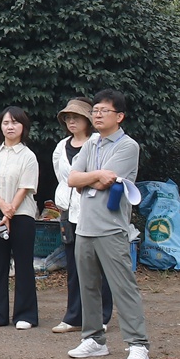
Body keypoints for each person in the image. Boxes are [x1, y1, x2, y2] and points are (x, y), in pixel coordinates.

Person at [64, 90, 150, 359]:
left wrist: (94, 178)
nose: (97, 115)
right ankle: (94, 339)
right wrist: (96, 175)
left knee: (122, 286)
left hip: (111, 227)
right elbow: (73, 179)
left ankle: (138, 344)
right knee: (87, 285)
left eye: (104, 111)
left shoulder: (128, 146)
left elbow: (106, 182)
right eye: (96, 110)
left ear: (119, 116)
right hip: (85, 226)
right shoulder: (90, 144)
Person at [50, 98, 112, 334]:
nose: (71, 121)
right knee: (74, 266)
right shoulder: (60, 146)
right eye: (68, 117)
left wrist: (85, 181)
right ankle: (74, 315)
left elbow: (103, 176)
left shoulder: (98, 143)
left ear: (88, 120)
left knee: (100, 264)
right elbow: (63, 177)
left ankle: (102, 316)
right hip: (69, 211)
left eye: (76, 117)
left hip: (95, 210)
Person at [0, 107, 40, 330]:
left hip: (21, 214)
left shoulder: (28, 156)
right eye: (6, 123)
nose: (10, 127)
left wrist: (11, 209)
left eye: (15, 123)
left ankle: (26, 314)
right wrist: (3, 207)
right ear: (0, 126)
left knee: (23, 264)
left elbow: (26, 186)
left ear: (23, 127)